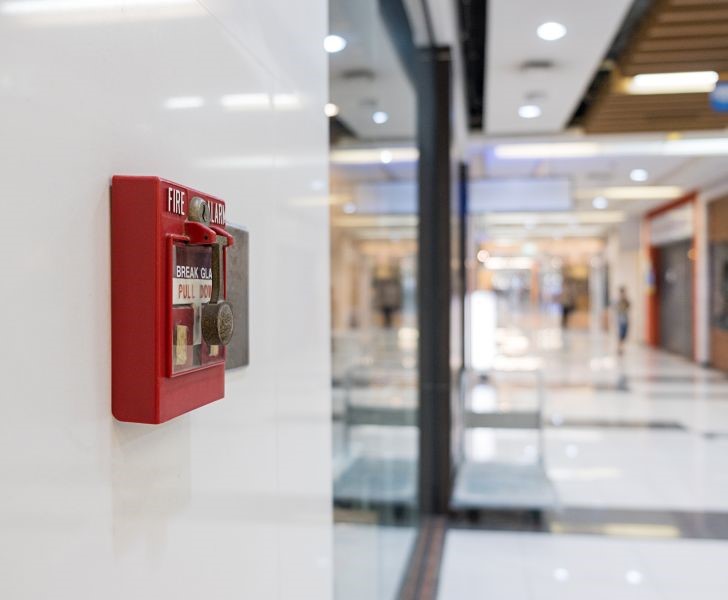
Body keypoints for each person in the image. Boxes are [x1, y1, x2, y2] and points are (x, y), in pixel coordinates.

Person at [616, 286, 631, 356]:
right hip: (621, 319)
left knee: (624, 334)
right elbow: (617, 309)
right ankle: (619, 348)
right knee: (621, 334)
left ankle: (621, 347)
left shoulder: (625, 300)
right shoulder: (618, 301)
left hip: (625, 319)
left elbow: (629, 306)